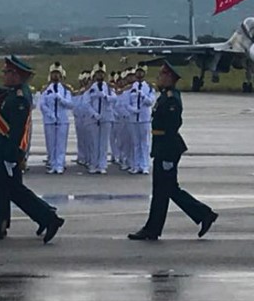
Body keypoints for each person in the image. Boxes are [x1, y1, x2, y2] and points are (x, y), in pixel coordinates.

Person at [0, 56, 64, 245]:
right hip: (3, 150)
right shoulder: (14, 93)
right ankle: (44, 217)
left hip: (7, 152)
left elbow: (17, 130)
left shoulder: (20, 98)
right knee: (12, 191)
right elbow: (3, 105)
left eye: (6, 72)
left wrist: (11, 156)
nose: (3, 75)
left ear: (16, 75)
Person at [128, 61, 218, 241]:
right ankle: (153, 228)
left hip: (168, 148)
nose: (159, 77)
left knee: (167, 189)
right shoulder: (165, 96)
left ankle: (203, 214)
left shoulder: (171, 99)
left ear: (169, 77)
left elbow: (173, 125)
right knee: (163, 190)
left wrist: (167, 155)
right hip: (162, 147)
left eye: (162, 74)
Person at [39, 62, 73, 174]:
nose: (55, 76)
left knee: (61, 144)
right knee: (51, 144)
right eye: (53, 73)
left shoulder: (65, 90)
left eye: (57, 73)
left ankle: (59, 164)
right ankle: (52, 164)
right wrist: (49, 114)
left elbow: (70, 104)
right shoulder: (46, 89)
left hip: (62, 120)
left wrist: (61, 99)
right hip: (50, 120)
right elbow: (42, 104)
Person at [83, 62, 115, 174]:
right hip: (94, 118)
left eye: (102, 74)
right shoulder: (91, 88)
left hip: (106, 117)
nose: (100, 76)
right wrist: (94, 113)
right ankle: (93, 164)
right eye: (98, 74)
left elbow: (114, 99)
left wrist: (105, 96)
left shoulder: (109, 88)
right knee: (94, 142)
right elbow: (86, 102)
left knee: (103, 143)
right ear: (95, 75)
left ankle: (102, 164)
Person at [126, 64, 156, 175]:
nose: (139, 74)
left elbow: (150, 102)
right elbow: (126, 103)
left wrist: (142, 95)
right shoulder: (130, 87)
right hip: (134, 118)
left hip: (144, 118)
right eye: (137, 72)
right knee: (135, 143)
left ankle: (144, 165)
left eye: (141, 72)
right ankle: (136, 165)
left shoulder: (148, 87)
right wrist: (132, 109)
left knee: (145, 143)